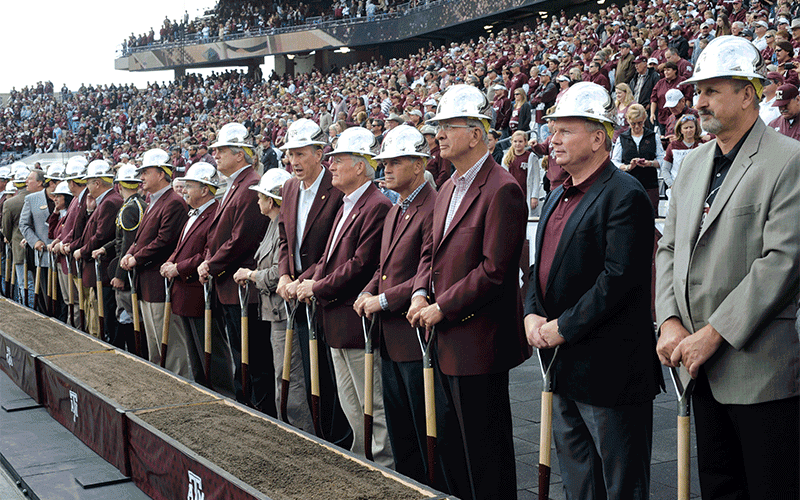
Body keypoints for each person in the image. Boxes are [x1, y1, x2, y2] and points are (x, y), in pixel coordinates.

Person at [655, 36, 800, 500]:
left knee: (769, 489)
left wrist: (713, 332)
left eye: (712, 90)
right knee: (718, 488)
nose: (698, 102)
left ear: (748, 93)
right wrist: (670, 320)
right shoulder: (694, 162)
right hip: (697, 368)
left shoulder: (788, 161)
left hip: (759, 371)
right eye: (698, 91)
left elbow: (781, 262)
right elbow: (669, 249)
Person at [525, 82, 663, 500]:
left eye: (565, 131)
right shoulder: (557, 194)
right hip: (564, 365)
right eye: (553, 130)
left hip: (610, 373)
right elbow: (538, 265)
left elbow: (618, 279)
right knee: (579, 483)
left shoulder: (625, 195)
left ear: (599, 137)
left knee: (621, 486)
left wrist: (562, 326)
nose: (553, 141)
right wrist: (531, 310)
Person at [408, 84, 530, 500]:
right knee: (453, 453)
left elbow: (495, 270)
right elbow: (430, 254)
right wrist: (421, 295)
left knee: (486, 456)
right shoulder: (446, 188)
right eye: (437, 126)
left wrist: (442, 306)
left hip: (479, 343)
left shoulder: (502, 188)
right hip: (443, 337)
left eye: (447, 126)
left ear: (476, 133)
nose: (438, 135)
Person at [295, 126, 394, 468]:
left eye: (338, 160)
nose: (331, 165)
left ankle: (382, 467)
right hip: (337, 319)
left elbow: (360, 264)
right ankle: (362, 459)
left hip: (356, 322)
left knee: (372, 404)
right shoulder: (347, 204)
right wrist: (305, 279)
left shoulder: (376, 206)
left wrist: (316, 287)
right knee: (351, 401)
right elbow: (328, 257)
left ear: (362, 166)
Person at [353, 124, 439, 486]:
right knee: (401, 430)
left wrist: (383, 299)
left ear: (418, 165)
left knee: (423, 431)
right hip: (390, 335)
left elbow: (426, 268)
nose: (385, 169)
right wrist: (368, 290)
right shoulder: (396, 208)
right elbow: (383, 267)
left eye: (394, 162)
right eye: (383, 162)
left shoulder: (431, 205)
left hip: (412, 331)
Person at [275, 118, 352, 448]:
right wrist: (283, 274)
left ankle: (338, 438)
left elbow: (333, 250)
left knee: (333, 379)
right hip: (296, 295)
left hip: (326, 293)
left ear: (321, 153)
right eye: (290, 154)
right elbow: (284, 238)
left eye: (301, 154)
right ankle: (320, 435)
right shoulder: (289, 188)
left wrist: (303, 280)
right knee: (308, 371)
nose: (294, 161)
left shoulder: (336, 188)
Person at [198, 123, 272, 410]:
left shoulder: (250, 186)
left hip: (244, 289)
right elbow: (220, 234)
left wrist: (211, 265)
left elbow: (241, 239)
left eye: (220, 150)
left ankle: (259, 410)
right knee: (241, 354)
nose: (215, 155)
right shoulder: (236, 185)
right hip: (230, 285)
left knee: (253, 358)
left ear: (240, 154)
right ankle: (247, 404)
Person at [233, 168, 314, 427]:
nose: (257, 202)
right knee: (282, 375)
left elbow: (281, 270)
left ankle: (299, 430)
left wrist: (253, 275)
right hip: (273, 311)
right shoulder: (272, 225)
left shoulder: (284, 225)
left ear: (271, 200)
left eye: (260, 197)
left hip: (284, 310)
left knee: (290, 377)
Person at [161, 162, 233, 393]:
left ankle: (222, 395)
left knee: (212, 352)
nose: (184, 190)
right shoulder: (193, 213)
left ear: (205, 189)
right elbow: (182, 245)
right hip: (184, 292)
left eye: (189, 186)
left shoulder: (214, 214)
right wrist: (171, 261)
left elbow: (206, 254)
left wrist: (178, 268)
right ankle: (204, 391)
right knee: (195, 353)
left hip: (200, 294)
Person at [120, 149, 189, 374]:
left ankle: (178, 388)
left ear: (161, 174)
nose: (141, 177)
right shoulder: (153, 201)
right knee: (155, 345)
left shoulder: (174, 202)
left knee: (169, 344)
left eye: (146, 172)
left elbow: (164, 241)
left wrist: (135, 257)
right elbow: (141, 237)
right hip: (147, 282)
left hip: (160, 284)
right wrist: (130, 252)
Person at [72, 160, 123, 341]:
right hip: (100, 267)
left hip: (104, 267)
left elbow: (101, 236)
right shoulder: (106, 201)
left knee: (107, 314)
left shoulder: (110, 202)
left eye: (88, 182)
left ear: (97, 183)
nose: (87, 187)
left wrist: (82, 251)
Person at [98, 164, 146, 353]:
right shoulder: (139, 205)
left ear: (118, 186)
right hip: (130, 266)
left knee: (128, 316)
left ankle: (135, 354)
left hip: (127, 271)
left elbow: (127, 244)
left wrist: (120, 275)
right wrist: (105, 248)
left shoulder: (130, 209)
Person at [612, 103, 665, 210]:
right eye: (633, 124)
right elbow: (615, 162)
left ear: (644, 119)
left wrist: (650, 163)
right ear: (628, 122)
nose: (636, 126)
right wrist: (628, 167)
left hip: (650, 184)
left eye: (640, 123)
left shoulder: (653, 136)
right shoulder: (622, 138)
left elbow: (662, 160)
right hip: (628, 184)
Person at [19, 166, 57, 313]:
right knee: (44, 294)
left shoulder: (68, 198)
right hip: (42, 255)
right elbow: (24, 224)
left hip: (61, 255)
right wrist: (34, 241)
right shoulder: (32, 199)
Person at [2, 165, 32, 304]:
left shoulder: (10, 203)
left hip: (19, 248)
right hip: (38, 246)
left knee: (24, 284)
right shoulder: (37, 198)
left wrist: (8, 238)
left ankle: (29, 310)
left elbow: (6, 228)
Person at [661, 114, 704, 191]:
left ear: (696, 128)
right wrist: (671, 185)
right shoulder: (673, 146)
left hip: (697, 188)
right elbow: (665, 169)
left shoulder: (703, 144)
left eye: (691, 127)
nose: (689, 130)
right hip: (677, 188)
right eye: (685, 128)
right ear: (680, 130)